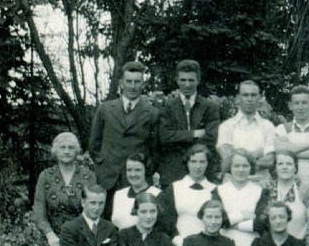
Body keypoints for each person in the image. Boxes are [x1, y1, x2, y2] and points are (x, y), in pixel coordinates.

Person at [89, 61, 158, 197]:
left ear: (143, 84)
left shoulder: (152, 113)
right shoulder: (105, 109)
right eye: (129, 81)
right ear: (121, 83)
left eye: (137, 82)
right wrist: (104, 165)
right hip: (107, 180)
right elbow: (94, 145)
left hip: (137, 182)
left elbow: (155, 151)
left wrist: (143, 171)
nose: (133, 86)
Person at [157, 60, 220, 187]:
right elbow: (164, 136)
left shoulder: (209, 107)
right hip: (173, 171)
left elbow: (211, 137)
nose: (187, 85)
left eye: (191, 80)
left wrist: (178, 137)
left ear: (198, 80)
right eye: (183, 80)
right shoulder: (168, 106)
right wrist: (194, 134)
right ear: (177, 80)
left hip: (202, 169)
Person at [31, 133, 95, 246]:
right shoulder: (45, 176)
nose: (67, 151)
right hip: (53, 242)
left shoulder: (88, 176)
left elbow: (94, 210)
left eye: (71, 147)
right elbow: (39, 212)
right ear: (55, 151)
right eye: (62, 147)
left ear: (77, 151)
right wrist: (50, 235)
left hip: (83, 241)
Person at [212, 149, 269, 246]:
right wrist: (243, 216)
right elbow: (217, 220)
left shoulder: (260, 192)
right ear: (230, 168)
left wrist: (232, 223)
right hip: (224, 243)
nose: (241, 170)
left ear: (251, 168)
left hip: (251, 243)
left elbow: (262, 222)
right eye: (236, 166)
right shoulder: (219, 191)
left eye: (245, 166)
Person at [274, 85, 309, 196]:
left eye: (304, 103)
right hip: (289, 183)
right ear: (290, 105)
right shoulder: (283, 128)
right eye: (296, 103)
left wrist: (291, 150)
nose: (300, 107)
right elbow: (280, 151)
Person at [158, 144, 216, 246]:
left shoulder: (214, 190)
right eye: (193, 161)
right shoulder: (175, 188)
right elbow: (165, 222)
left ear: (207, 163)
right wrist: (181, 243)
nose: (198, 166)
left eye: (202, 162)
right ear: (187, 163)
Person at [216, 80, 276, 178]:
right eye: (245, 95)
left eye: (253, 95)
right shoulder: (226, 126)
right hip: (232, 183)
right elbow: (227, 158)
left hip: (260, 183)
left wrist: (237, 155)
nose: (249, 99)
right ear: (239, 98)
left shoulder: (268, 126)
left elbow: (270, 160)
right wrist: (259, 152)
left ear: (259, 98)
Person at [267, 150, 309, 243]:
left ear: (295, 168)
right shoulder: (266, 190)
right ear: (275, 168)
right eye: (280, 164)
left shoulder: (307, 191)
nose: (285, 167)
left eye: (289, 164)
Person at [109, 154, 161, 230]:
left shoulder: (157, 193)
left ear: (146, 170)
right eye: (129, 170)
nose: (133, 174)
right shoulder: (119, 194)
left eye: (138, 170)